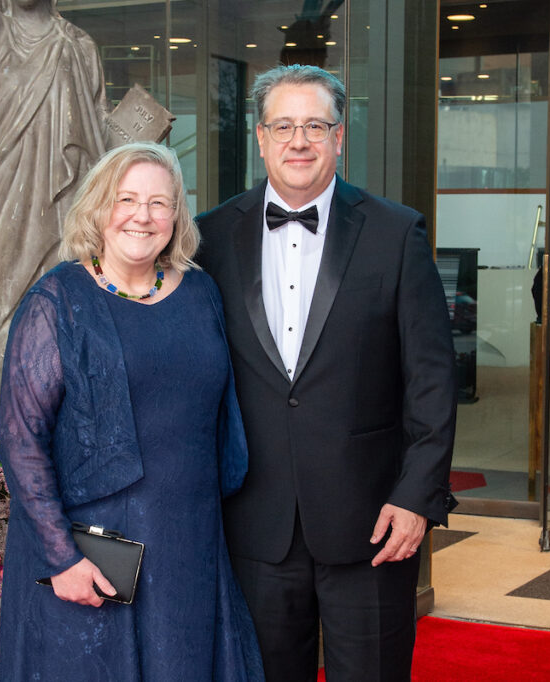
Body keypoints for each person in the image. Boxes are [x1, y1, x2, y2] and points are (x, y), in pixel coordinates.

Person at [196, 65, 457, 681]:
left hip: (372, 523)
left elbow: (432, 380)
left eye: (316, 125)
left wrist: (416, 496)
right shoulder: (208, 237)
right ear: (260, 138)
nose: (299, 140)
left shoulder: (397, 233)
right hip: (253, 525)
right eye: (283, 125)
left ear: (340, 137)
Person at [0, 142, 264, 680]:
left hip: (188, 539)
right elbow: (22, 440)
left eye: (159, 203)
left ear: (176, 216)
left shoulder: (201, 293)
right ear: (98, 208)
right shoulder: (57, 300)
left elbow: (219, 423)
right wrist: (60, 558)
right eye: (127, 199)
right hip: (94, 551)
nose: (143, 216)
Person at [0, 0, 110, 393]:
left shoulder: (78, 45)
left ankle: (65, 417)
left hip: (70, 201)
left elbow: (101, 135)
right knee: (9, 308)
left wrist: (137, 143)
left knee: (67, 306)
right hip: (5, 193)